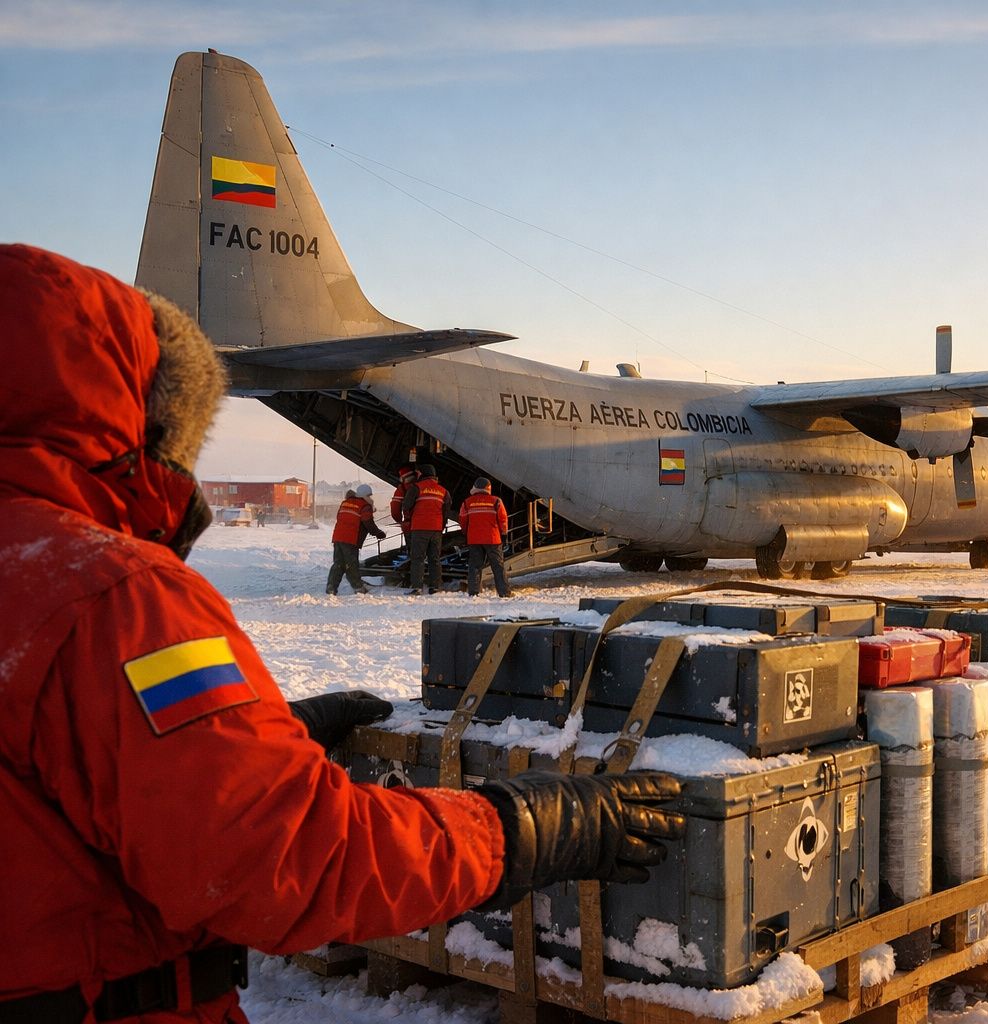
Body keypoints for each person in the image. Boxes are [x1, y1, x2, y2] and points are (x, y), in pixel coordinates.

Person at [0, 245, 684, 1023]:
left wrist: (251, 742)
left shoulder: (43, 581)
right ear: (140, 410)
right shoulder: (113, 597)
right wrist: (522, 832)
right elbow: (287, 862)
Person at [326, 484, 386, 595]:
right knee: (351, 565)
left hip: (338, 537)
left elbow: (341, 518)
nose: (370, 498)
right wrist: (379, 533)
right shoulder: (364, 506)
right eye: (369, 495)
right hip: (351, 539)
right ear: (365, 495)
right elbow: (368, 522)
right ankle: (358, 588)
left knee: (338, 564)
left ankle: (331, 587)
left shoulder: (345, 503)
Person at [460, 477, 512, 597]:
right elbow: (503, 519)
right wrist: (504, 534)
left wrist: (466, 533)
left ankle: (474, 592)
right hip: (493, 539)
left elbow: (463, 520)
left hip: (474, 539)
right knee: (498, 566)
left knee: (475, 566)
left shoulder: (467, 502)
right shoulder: (496, 501)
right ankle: (504, 592)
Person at [402, 464, 449, 595]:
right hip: (436, 530)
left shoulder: (416, 488)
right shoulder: (443, 491)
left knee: (418, 558)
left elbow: (406, 506)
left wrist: (409, 520)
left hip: (419, 528)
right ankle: (435, 587)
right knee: (435, 559)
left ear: (422, 474)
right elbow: (446, 511)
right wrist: (441, 525)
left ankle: (417, 587)